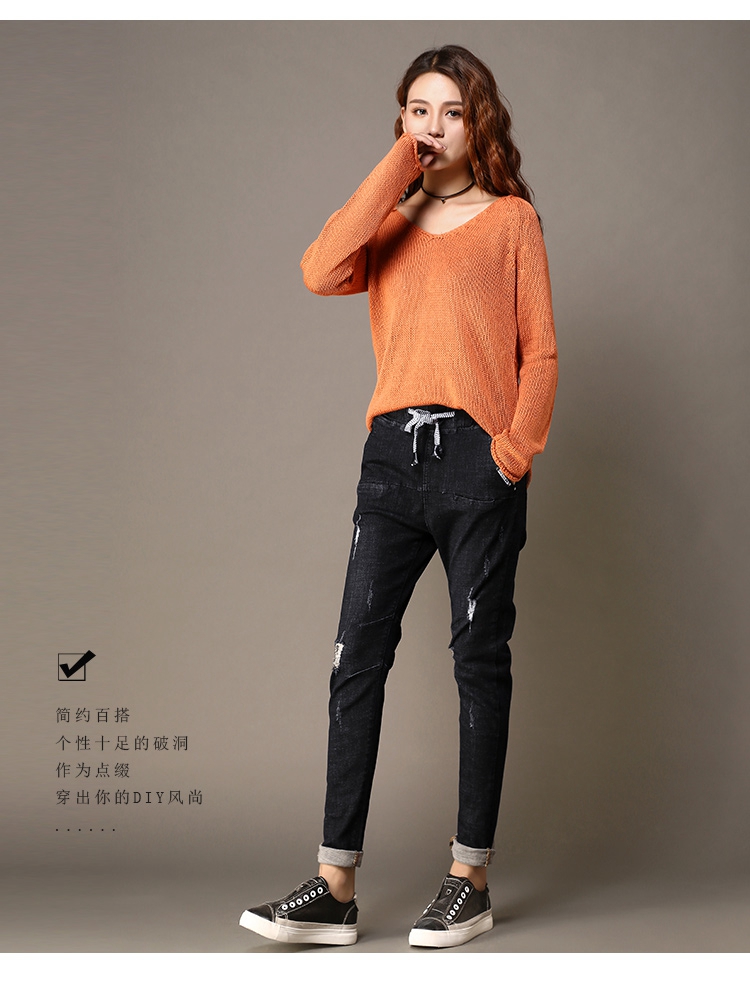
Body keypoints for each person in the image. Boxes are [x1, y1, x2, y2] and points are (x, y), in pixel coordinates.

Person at [240, 44, 557, 949]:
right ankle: (337, 886)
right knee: (356, 661)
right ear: (401, 122)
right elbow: (319, 267)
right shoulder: (386, 222)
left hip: (476, 461)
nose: (434, 126)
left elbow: (541, 352)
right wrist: (396, 170)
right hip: (390, 464)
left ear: (478, 121)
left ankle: (470, 877)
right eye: (419, 110)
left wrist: (510, 456)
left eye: (452, 111)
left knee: (478, 661)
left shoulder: (511, 222)